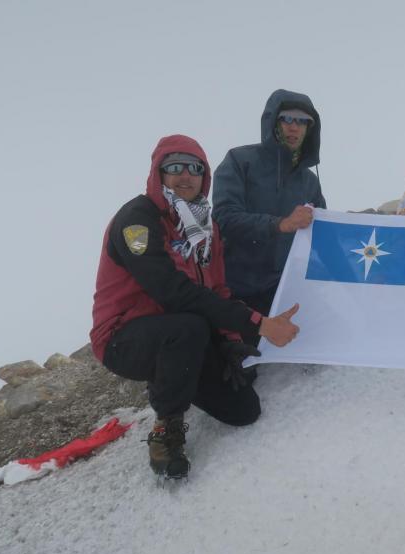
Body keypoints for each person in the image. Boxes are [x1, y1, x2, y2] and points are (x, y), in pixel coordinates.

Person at [90, 134, 301, 479]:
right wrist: (259, 323)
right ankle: (166, 429)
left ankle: (178, 376)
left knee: (244, 409)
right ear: (159, 173)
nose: (185, 176)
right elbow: (173, 293)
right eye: (174, 167)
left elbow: (216, 288)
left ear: (205, 177)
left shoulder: (207, 226)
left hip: (185, 333)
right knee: (186, 327)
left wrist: (230, 340)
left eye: (195, 168)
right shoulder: (137, 220)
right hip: (123, 339)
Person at [212, 89, 326, 326]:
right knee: (240, 360)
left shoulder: (310, 182)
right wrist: (280, 224)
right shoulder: (239, 160)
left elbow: (322, 238)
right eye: (287, 119)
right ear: (273, 121)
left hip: (286, 291)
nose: (295, 127)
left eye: (303, 121)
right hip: (236, 290)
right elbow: (224, 218)